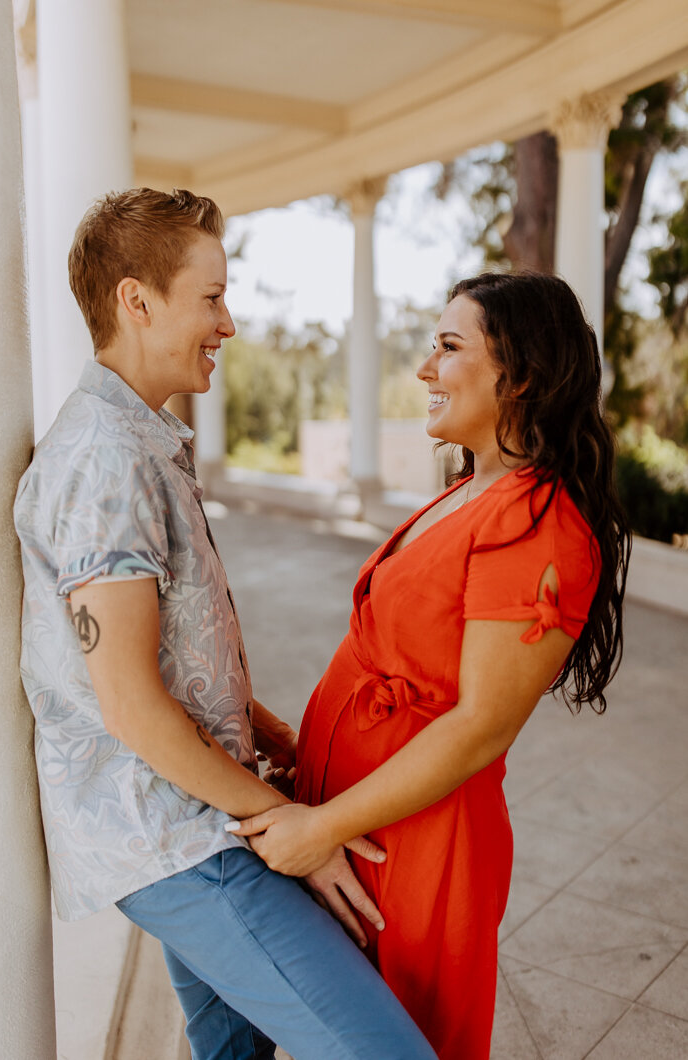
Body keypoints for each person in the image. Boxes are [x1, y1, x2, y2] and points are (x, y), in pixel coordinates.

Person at [14, 187, 438, 1060]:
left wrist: (266, 735)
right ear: (137, 301)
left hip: (192, 817)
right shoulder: (104, 459)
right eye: (210, 299)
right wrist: (300, 832)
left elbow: (167, 660)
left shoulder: (137, 439)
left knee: (232, 1054)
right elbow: (131, 707)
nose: (229, 324)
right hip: (181, 839)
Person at [227, 271, 631, 1059]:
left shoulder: (539, 521)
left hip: (415, 841)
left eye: (447, 348)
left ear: (519, 371)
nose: (423, 370)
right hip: (352, 807)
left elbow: (480, 726)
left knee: (397, 1036)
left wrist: (322, 829)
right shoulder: (470, 488)